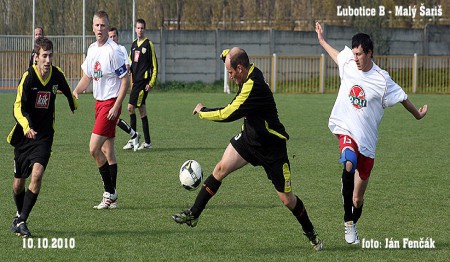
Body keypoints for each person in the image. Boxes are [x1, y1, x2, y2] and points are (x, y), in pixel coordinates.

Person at [172, 47, 323, 251]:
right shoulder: (244, 69)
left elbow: (227, 113)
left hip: (272, 148)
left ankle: (311, 232)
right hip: (249, 139)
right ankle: (194, 214)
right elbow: (229, 55)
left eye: (231, 73)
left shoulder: (253, 86)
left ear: (241, 68)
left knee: (287, 200)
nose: (231, 76)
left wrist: (202, 111)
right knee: (219, 170)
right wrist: (224, 55)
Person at [315, 22, 428, 244]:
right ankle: (348, 222)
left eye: (359, 54)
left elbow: (403, 98)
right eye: (354, 53)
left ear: (369, 53)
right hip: (346, 129)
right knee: (348, 162)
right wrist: (322, 41)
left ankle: (353, 220)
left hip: (367, 141)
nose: (355, 58)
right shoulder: (348, 62)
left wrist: (418, 115)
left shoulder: (382, 80)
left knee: (357, 198)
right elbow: (337, 55)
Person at [8, 37, 78, 237]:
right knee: (18, 183)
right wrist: (26, 126)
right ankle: (19, 214)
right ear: (36, 58)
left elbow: (66, 90)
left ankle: (22, 220)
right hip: (24, 135)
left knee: (37, 174)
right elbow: (17, 107)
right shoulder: (28, 77)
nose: (48, 60)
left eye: (50, 56)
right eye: (44, 56)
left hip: (45, 136)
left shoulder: (56, 75)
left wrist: (73, 104)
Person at [72, 10, 129, 209]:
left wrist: (116, 106)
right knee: (108, 151)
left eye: (103, 25)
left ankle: (109, 192)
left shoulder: (113, 51)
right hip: (99, 103)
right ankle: (113, 198)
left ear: (107, 26)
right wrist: (77, 90)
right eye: (96, 25)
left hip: (110, 104)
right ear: (93, 27)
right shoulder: (92, 49)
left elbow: (125, 81)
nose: (99, 29)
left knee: (93, 148)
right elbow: (88, 76)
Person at [125, 18, 158, 151]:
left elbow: (155, 65)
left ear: (145, 29)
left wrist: (151, 83)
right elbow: (129, 62)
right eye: (138, 28)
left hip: (143, 83)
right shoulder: (133, 45)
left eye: (142, 28)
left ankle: (134, 138)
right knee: (142, 110)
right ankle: (147, 141)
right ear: (135, 29)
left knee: (130, 108)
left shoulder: (148, 44)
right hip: (135, 83)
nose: (140, 30)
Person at [108, 27, 140, 152]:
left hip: (117, 89)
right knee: (111, 118)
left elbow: (127, 66)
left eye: (114, 36)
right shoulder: (105, 50)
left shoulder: (120, 49)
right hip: (108, 91)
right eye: (110, 36)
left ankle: (133, 135)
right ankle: (133, 135)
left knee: (112, 117)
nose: (112, 38)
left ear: (117, 37)